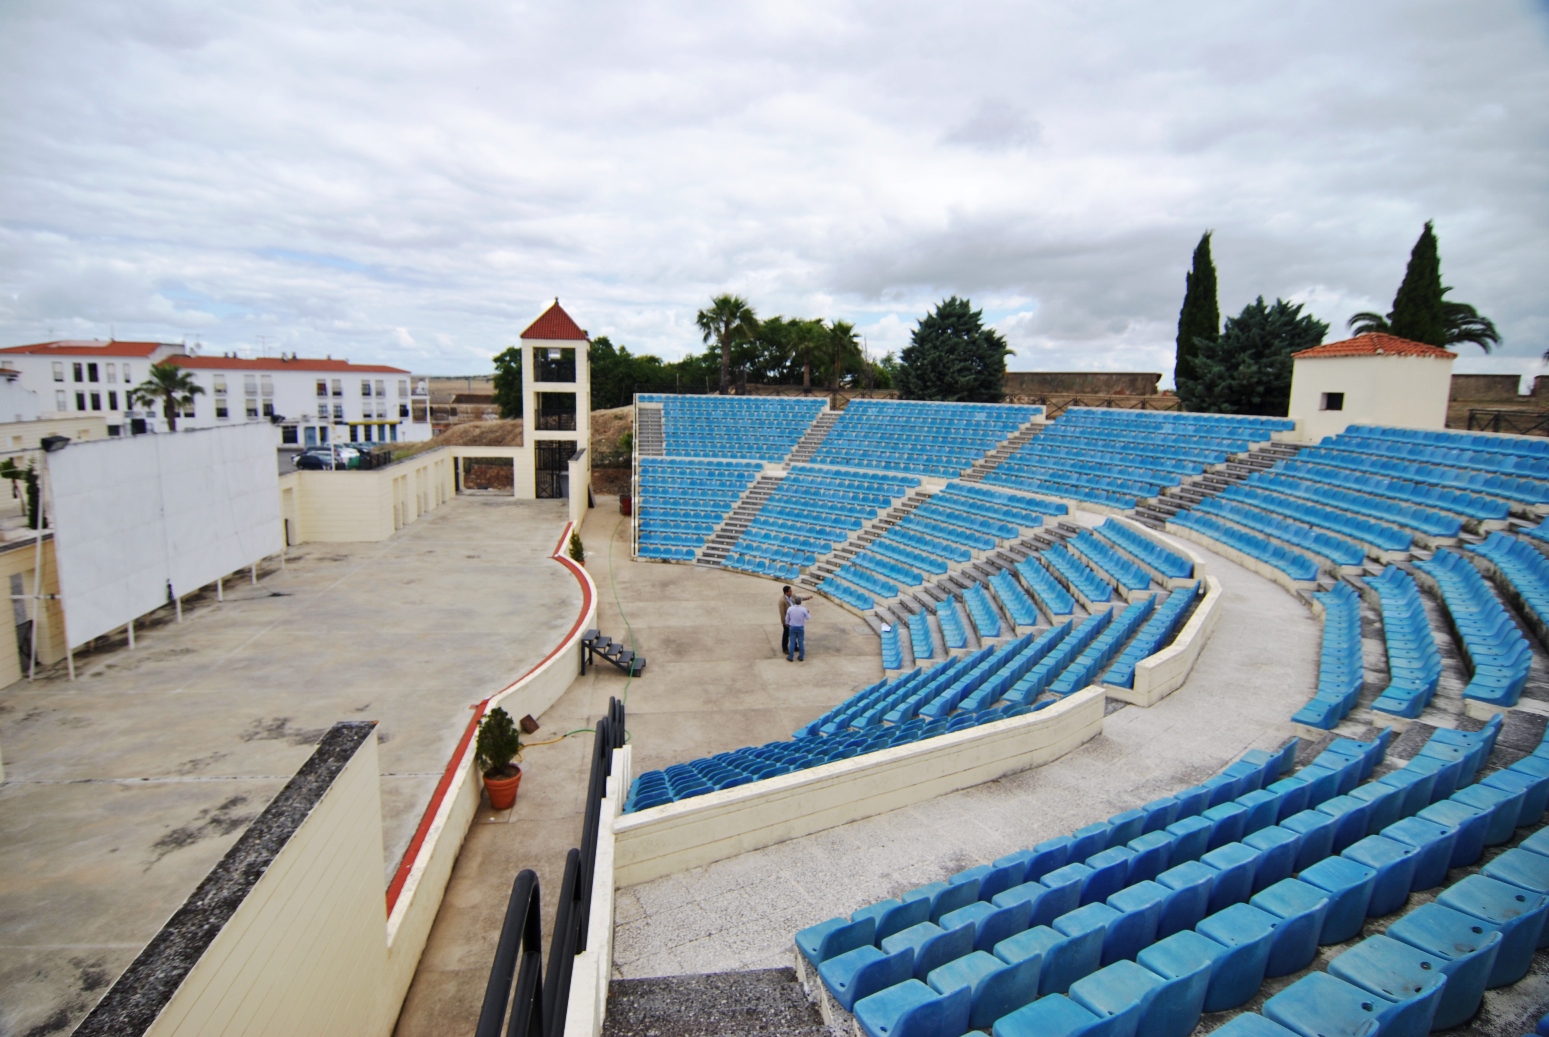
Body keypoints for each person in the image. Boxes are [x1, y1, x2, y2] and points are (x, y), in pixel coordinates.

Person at [779, 586, 807, 656]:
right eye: (790, 591)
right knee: (786, 634)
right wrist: (785, 622)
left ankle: (794, 646)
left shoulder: (792, 596)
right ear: (786, 592)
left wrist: (807, 598)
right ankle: (785, 648)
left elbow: (799, 598)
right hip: (788, 620)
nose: (791, 592)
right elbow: (782, 612)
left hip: (793, 619)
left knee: (794, 634)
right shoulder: (782, 600)